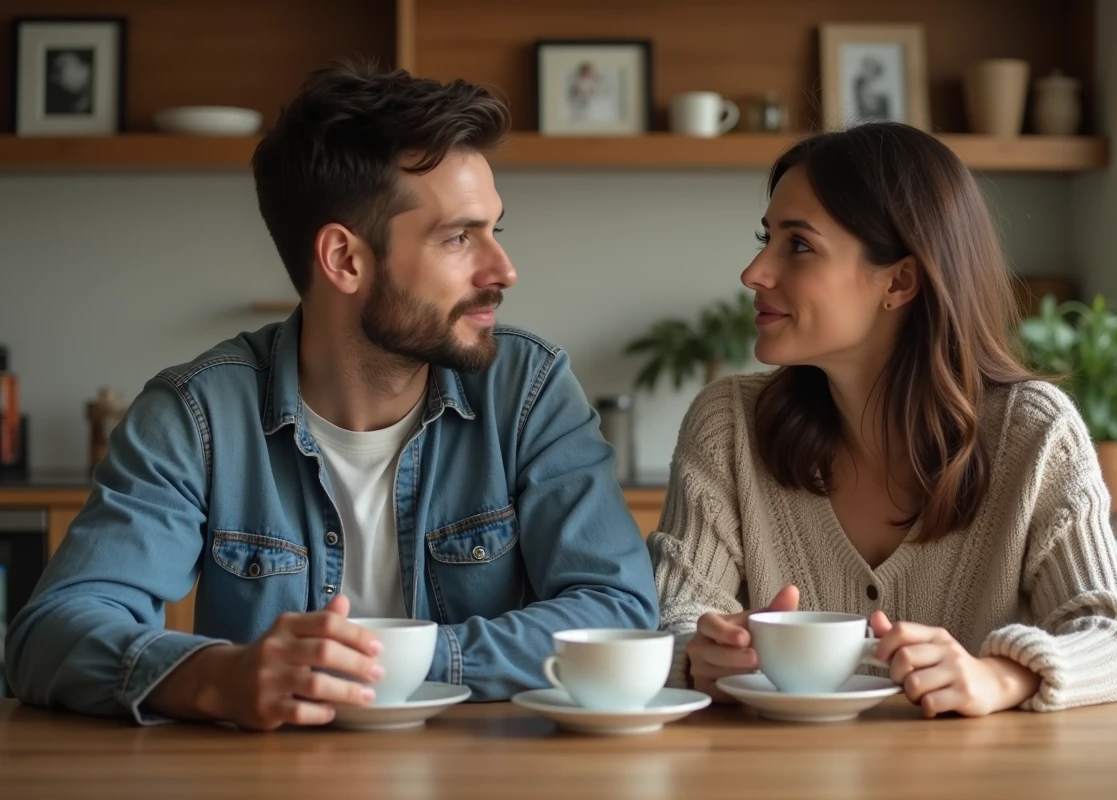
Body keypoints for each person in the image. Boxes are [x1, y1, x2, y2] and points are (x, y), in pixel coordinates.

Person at [5, 61, 658, 729]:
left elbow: (617, 608)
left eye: (495, 230)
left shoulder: (527, 389)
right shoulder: (197, 415)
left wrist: (403, 663)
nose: (503, 270)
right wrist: (215, 677)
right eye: (459, 237)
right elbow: (50, 633)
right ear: (344, 259)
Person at [649, 122, 1117, 717]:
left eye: (798, 245)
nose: (754, 272)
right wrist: (699, 656)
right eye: (766, 238)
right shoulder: (727, 425)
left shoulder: (1035, 433)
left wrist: (999, 676)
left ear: (900, 280)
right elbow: (670, 622)